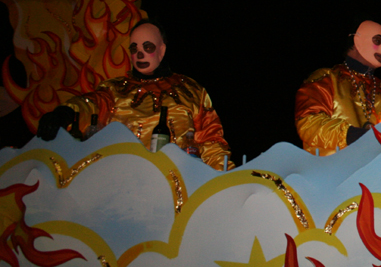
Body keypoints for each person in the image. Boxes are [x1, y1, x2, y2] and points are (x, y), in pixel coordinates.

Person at [36, 19, 234, 170]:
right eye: (134, 48)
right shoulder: (114, 90)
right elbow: (90, 104)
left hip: (176, 185)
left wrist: (225, 180)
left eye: (147, 47)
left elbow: (212, 142)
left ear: (161, 50)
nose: (140, 54)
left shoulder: (191, 91)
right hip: (119, 182)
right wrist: (65, 114)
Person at [295, 20, 381, 156]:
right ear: (357, 40)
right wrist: (350, 134)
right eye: (377, 41)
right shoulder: (325, 79)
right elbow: (308, 124)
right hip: (333, 167)